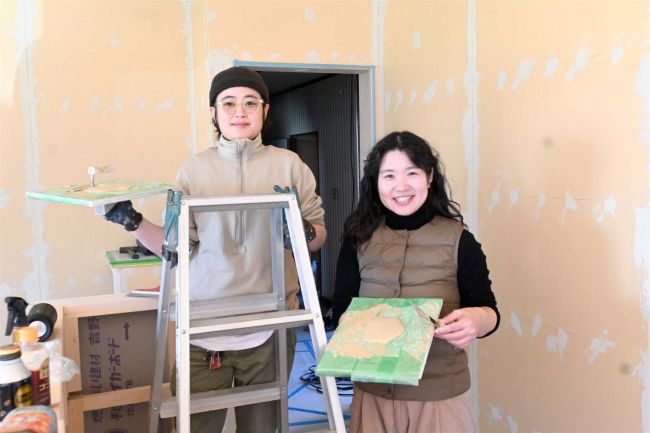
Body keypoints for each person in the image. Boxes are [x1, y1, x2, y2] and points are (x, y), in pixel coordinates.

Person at [104, 66, 326, 433]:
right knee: (198, 426)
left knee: (263, 427)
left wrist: (302, 232)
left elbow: (318, 235)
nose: (240, 112)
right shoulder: (194, 170)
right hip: (203, 331)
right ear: (214, 112)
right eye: (229, 103)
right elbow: (175, 247)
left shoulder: (289, 165)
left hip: (269, 327)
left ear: (265, 110)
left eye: (250, 103)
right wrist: (131, 220)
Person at [332, 131, 499, 433]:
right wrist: (356, 325)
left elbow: (489, 313)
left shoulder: (460, 240)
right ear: (375, 182)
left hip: (438, 397)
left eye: (412, 173)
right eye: (389, 175)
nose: (401, 186)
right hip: (373, 394)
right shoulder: (358, 241)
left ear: (430, 176)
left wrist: (475, 320)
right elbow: (342, 311)